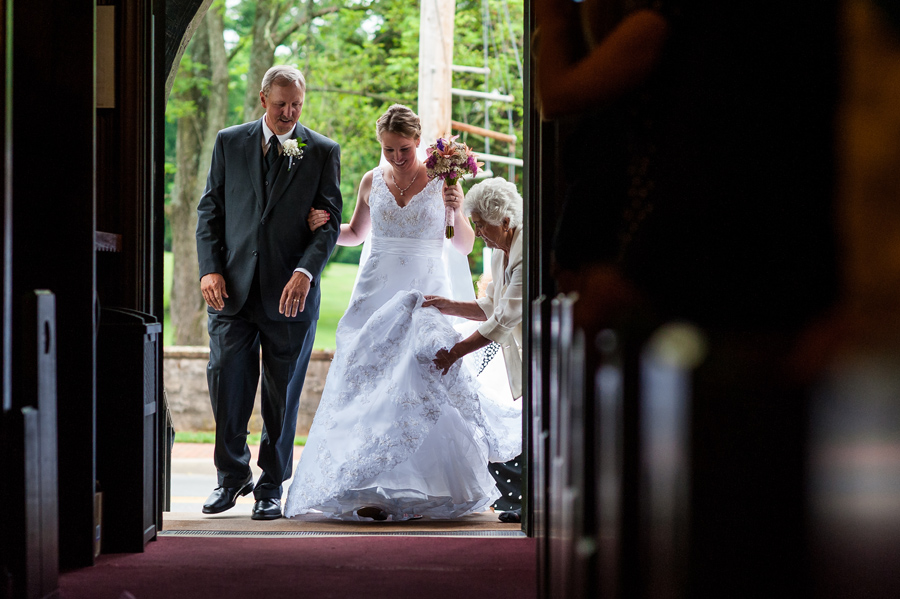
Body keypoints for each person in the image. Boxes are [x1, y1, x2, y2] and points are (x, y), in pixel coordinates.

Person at [285, 105, 521, 521]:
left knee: (422, 378)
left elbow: (464, 245)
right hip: (375, 292)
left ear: (418, 142)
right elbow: (357, 234)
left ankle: (428, 488)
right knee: (371, 388)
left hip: (426, 291)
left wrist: (454, 206)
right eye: (389, 149)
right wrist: (321, 226)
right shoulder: (370, 181)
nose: (396, 157)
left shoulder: (443, 180)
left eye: (405, 150)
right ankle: (368, 489)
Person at [196, 65, 342, 521]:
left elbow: (330, 222)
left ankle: (271, 487)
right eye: (280, 104)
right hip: (232, 292)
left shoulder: (321, 151)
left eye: (296, 105)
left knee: (282, 395)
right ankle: (231, 475)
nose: (288, 113)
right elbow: (210, 211)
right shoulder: (228, 141)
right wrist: (209, 270)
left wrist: (305, 271)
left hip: (290, 296)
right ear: (263, 100)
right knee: (226, 381)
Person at [422, 177, 525, 523]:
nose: (478, 233)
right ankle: (520, 501)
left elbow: (505, 318)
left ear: (506, 222)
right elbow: (490, 306)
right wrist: (449, 306)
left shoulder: (527, 250)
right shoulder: (499, 252)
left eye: (482, 225)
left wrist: (455, 352)